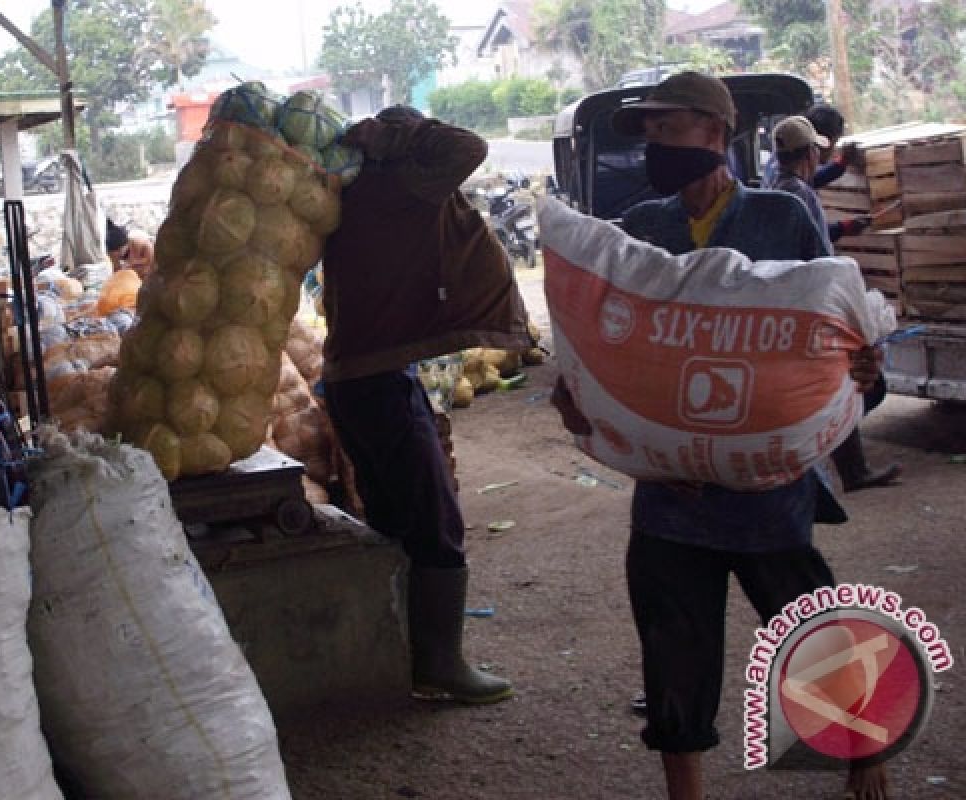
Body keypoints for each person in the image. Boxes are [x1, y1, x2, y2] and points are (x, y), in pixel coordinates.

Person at [552, 72, 889, 800]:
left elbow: (832, 331)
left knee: (811, 628)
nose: (654, 146)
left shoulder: (782, 217)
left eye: (667, 129)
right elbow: (608, 351)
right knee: (674, 654)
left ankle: (864, 751)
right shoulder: (641, 230)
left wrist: (864, 367)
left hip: (766, 493)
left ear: (713, 132)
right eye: (648, 134)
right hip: (671, 498)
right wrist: (584, 400)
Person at [320, 105, 532, 704]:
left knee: (396, 519)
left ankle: (407, 655)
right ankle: (440, 664)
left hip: (353, 379)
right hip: (376, 380)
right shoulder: (406, 185)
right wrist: (399, 135)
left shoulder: (355, 192)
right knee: (437, 521)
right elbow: (468, 144)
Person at [767, 116, 902, 492]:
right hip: (816, 300)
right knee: (854, 382)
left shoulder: (776, 183)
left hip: (791, 300)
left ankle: (849, 467)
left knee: (836, 382)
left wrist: (846, 222)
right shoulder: (801, 194)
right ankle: (847, 468)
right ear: (810, 152)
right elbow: (818, 247)